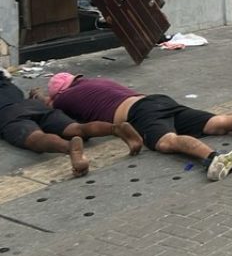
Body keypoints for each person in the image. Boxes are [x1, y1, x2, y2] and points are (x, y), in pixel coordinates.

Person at [39, 72, 232, 182]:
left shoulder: (65, 98)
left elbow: (50, 111)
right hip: (156, 100)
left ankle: (215, 159)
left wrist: (41, 98)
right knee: (217, 122)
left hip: (137, 114)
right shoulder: (96, 82)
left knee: (166, 142)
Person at [0, 68, 142, 177]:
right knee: (77, 128)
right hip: (33, 105)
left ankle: (70, 148)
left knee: (37, 139)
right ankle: (115, 128)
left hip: (8, 114)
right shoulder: (6, 84)